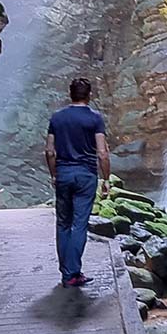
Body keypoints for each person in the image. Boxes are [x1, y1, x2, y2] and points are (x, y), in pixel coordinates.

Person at [45, 77, 111, 287]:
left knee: (63, 223)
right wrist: (106, 179)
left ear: (70, 94)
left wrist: (54, 174)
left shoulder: (57, 118)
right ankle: (73, 273)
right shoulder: (95, 118)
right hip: (86, 175)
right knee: (79, 224)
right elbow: (102, 152)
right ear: (89, 95)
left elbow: (49, 150)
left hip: (63, 173)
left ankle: (66, 272)